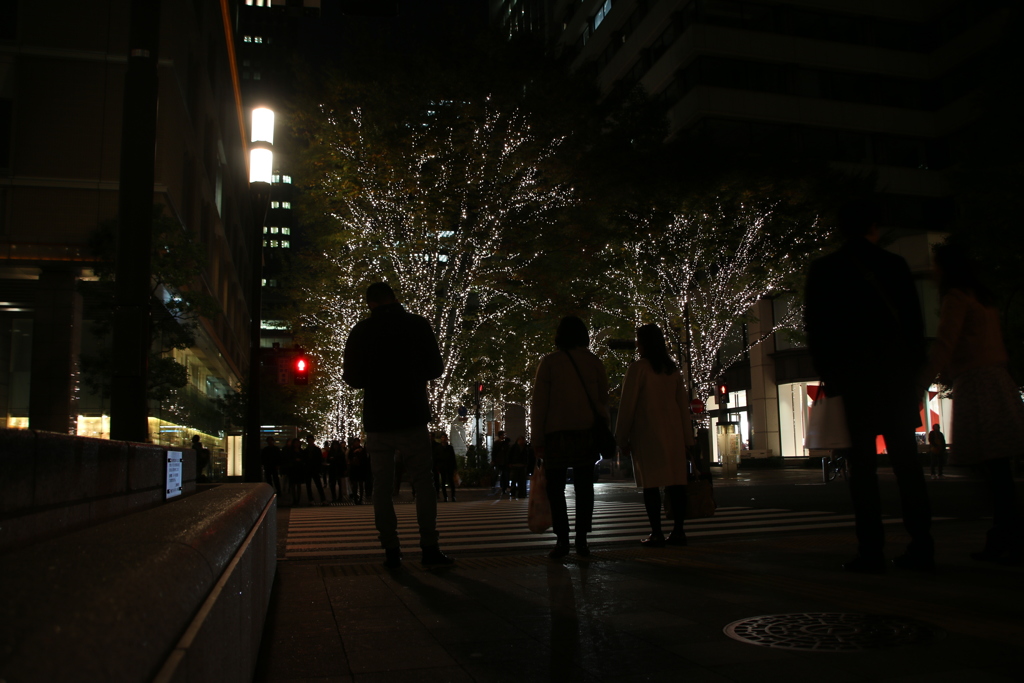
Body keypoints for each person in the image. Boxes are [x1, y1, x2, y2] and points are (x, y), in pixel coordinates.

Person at [805, 199, 934, 574]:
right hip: (894, 380)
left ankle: (871, 550)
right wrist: (912, 375)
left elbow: (818, 331)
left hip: (853, 383)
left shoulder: (826, 270)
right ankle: (922, 546)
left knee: (861, 471)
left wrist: (832, 377)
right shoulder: (894, 266)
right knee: (908, 466)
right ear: (874, 227)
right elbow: (913, 326)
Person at [920, 243, 1024, 565]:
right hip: (997, 380)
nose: (934, 272)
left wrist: (920, 381)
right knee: (997, 466)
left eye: (936, 266)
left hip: (976, 384)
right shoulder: (983, 298)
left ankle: (1006, 534)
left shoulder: (957, 298)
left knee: (988, 467)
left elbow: (946, 342)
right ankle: (1008, 534)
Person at [343, 281, 454, 568]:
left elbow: (353, 378)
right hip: (412, 414)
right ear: (394, 298)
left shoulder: (361, 331)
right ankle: (429, 547)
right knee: (423, 483)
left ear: (370, 304)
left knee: (381, 486)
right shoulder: (417, 325)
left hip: (378, 418)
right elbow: (436, 369)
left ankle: (391, 550)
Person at [530, 315, 608, 559]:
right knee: (585, 488)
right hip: (586, 432)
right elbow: (603, 401)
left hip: (556, 433)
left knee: (556, 488)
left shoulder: (549, 363)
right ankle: (582, 540)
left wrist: (537, 439)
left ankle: (562, 540)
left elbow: (539, 405)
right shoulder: (595, 362)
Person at [615, 324, 695, 547]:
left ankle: (656, 532)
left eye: (639, 340)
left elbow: (627, 405)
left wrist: (621, 438)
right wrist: (688, 439)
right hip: (674, 434)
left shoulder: (638, 368)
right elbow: (682, 407)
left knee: (651, 485)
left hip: (647, 433)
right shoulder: (671, 370)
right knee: (676, 484)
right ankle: (679, 530)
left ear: (644, 343)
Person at [302, 436, 327, 506]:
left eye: (311, 440)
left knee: (317, 485)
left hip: (314, 469)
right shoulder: (307, 450)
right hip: (309, 469)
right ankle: (313, 500)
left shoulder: (315, 450)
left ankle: (321, 499)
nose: (310, 442)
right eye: (309, 440)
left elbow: (319, 460)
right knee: (310, 485)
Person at [507, 436, 531, 500]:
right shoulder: (514, 447)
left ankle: (522, 494)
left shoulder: (525, 447)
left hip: (522, 465)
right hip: (515, 465)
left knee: (522, 481)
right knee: (514, 480)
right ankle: (513, 493)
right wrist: (510, 463)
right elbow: (510, 455)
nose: (523, 442)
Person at [347, 436, 367, 504]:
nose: (356, 443)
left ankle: (361, 498)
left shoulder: (362, 449)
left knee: (361, 484)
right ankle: (355, 498)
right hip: (354, 469)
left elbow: (364, 459)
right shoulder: (352, 450)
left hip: (360, 468)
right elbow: (349, 458)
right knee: (355, 484)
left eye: (357, 442)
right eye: (355, 442)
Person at [491, 430, 511, 495]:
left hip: (504, 461)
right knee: (496, 474)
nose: (504, 436)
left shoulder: (505, 443)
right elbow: (494, 452)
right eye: (503, 435)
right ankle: (494, 486)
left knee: (504, 475)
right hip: (498, 461)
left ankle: (504, 488)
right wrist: (493, 460)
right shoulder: (497, 443)